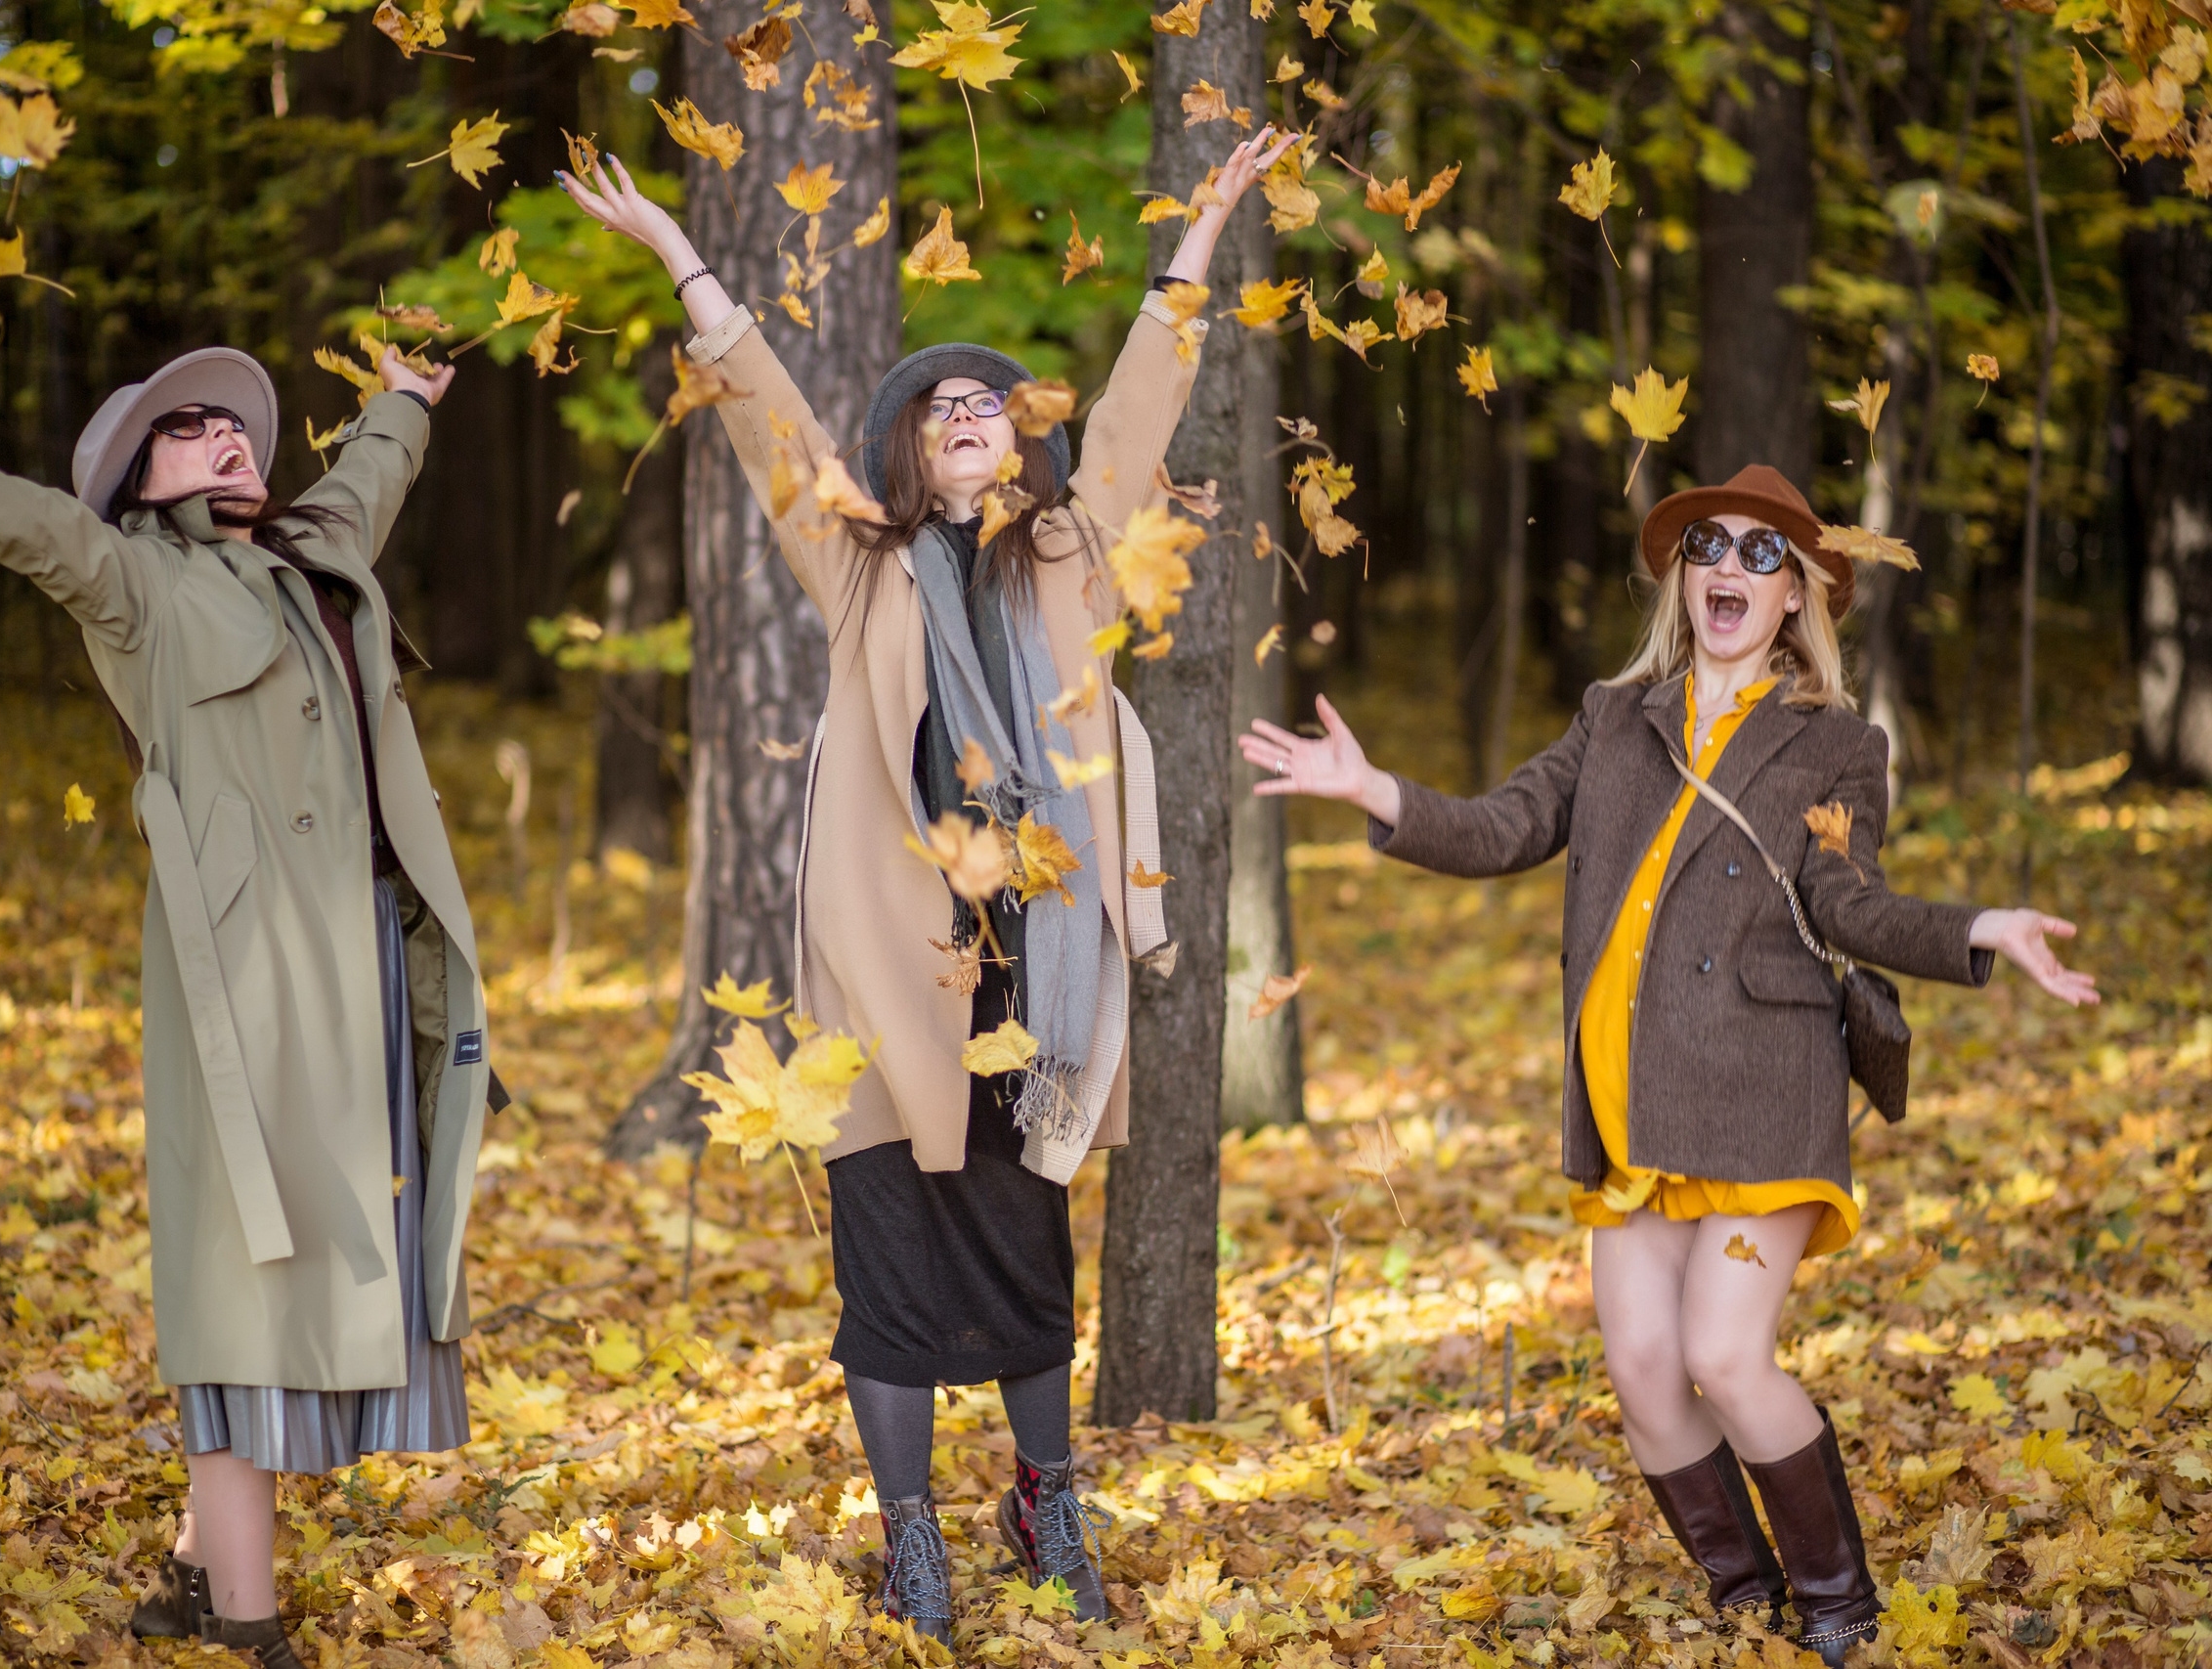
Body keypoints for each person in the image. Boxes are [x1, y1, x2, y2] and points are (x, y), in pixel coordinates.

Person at [562, 128, 1294, 1641]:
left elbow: (1139, 420)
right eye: (939, 407)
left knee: (1027, 1253)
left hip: (1035, 969)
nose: (968, 415)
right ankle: (912, 1538)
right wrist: (676, 261)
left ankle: (1048, 1496)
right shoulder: (861, 565)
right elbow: (766, 421)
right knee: (887, 1248)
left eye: (988, 404)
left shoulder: (1067, 553)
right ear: (907, 454)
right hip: (894, 975)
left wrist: (1198, 244)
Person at [1238, 464, 2099, 1665]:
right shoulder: (1612, 716)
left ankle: (1839, 1608)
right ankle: (1744, 1599)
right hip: (1629, 1096)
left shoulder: (1837, 746)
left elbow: (1849, 903)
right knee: (1643, 1372)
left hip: (1760, 1090)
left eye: (1761, 555)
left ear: (1796, 594)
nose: (1729, 570)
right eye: (1710, 546)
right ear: (1682, 575)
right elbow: (1503, 828)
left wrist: (1976, 929)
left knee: (1721, 1356)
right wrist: (1373, 787)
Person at [0, 347, 496, 1669]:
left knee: (347, 1271)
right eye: (185, 430)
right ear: (137, 481)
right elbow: (12, 514)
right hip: (247, 979)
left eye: (233, 426)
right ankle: (247, 1626)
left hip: (372, 953)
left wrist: (406, 399)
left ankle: (189, 1570)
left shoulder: (318, 547)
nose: (223, 440)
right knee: (243, 1281)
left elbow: (371, 471)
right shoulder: (134, 581)